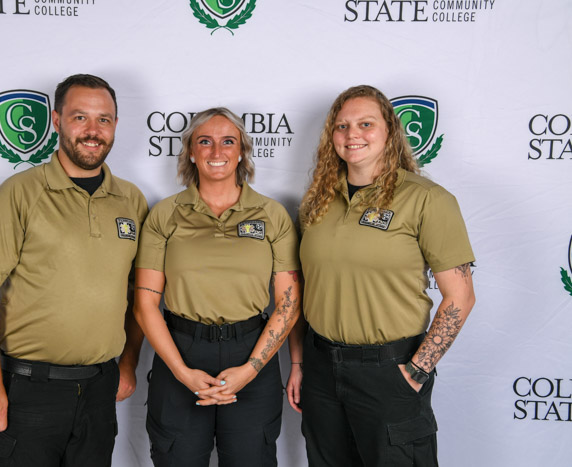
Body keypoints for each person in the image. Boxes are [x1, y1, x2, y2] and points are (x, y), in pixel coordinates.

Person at [0, 74, 148, 467]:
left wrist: (128, 363)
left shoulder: (131, 199)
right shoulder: (21, 192)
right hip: (29, 392)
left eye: (104, 119)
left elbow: (140, 295)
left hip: (99, 391)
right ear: (57, 120)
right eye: (80, 117)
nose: (93, 131)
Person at [286, 85, 476, 466]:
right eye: (341, 126)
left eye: (365, 124)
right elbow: (301, 290)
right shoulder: (315, 202)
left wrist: (417, 371)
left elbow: (460, 296)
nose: (352, 134)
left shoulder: (427, 199)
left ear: (390, 130)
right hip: (321, 369)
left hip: (390, 370)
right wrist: (299, 363)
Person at [134, 107, 302, 467]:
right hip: (181, 351)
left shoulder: (272, 215)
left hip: (251, 352)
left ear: (241, 150)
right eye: (204, 142)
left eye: (228, 142)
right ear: (191, 152)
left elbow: (288, 304)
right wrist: (183, 373)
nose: (216, 152)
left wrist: (250, 369)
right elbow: (145, 305)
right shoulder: (165, 215)